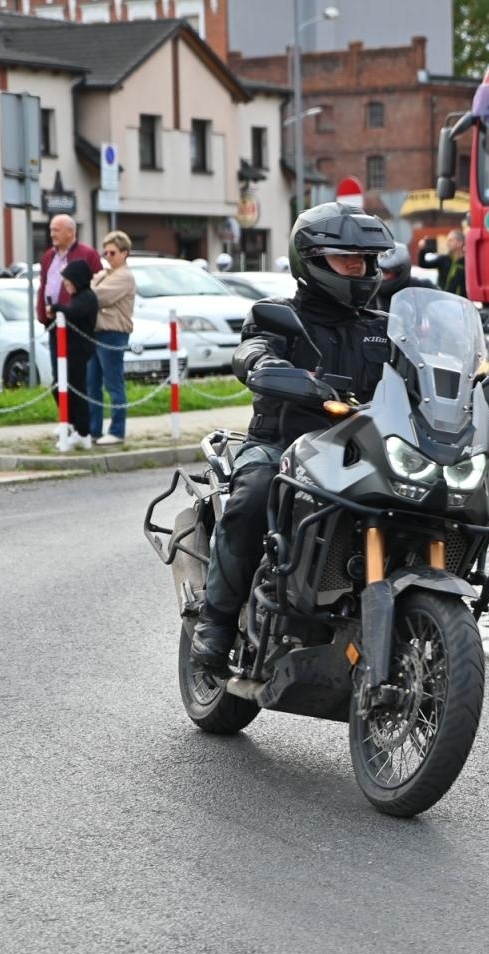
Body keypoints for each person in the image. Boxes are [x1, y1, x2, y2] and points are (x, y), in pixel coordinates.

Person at [189, 202, 396, 669]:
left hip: (364, 451)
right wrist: (262, 363)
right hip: (282, 446)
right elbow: (253, 347)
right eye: (348, 259)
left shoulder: (385, 329)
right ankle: (216, 622)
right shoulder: (276, 315)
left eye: (365, 260)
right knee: (254, 494)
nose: (359, 269)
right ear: (314, 260)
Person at [35, 214, 101, 446]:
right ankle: (70, 423)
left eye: (57, 229)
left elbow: (94, 286)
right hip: (55, 326)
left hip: (76, 330)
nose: (52, 234)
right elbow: (44, 284)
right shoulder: (48, 256)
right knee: (58, 379)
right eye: (51, 229)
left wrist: (61, 308)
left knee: (77, 383)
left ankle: (82, 429)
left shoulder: (87, 254)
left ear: (70, 232)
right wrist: (45, 313)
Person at [89, 230, 137, 445]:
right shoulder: (106, 274)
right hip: (96, 331)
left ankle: (117, 430)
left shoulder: (124, 276)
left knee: (113, 384)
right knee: (92, 383)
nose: (108, 256)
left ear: (125, 253)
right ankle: (94, 429)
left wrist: (89, 289)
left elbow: (96, 297)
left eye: (112, 252)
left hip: (113, 334)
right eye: (105, 252)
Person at [51, 259, 98, 451]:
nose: (66, 285)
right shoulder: (79, 296)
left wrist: (56, 308)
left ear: (77, 280)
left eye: (68, 281)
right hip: (70, 351)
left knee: (77, 391)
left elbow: (73, 311)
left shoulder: (87, 297)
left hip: (79, 351)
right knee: (60, 387)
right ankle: (72, 424)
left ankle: (83, 432)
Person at [372, 243, 435, 312]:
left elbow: (444, 307)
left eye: (388, 272)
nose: (383, 276)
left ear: (401, 271)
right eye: (380, 271)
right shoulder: (371, 293)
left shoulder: (423, 287)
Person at [420, 229, 467, 296]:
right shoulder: (443, 259)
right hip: (442, 300)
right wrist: (422, 250)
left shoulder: (467, 262)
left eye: (450, 240)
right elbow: (423, 264)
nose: (447, 243)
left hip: (459, 303)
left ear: (460, 243)